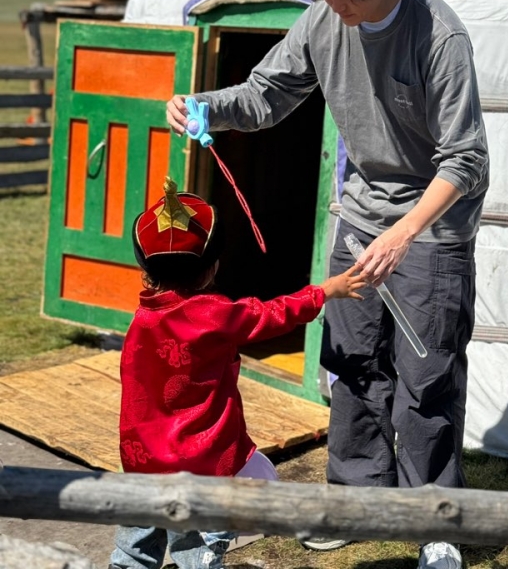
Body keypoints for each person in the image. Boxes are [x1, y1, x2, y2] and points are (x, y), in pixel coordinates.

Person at [166, 0, 489, 569]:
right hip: (360, 221)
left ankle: (436, 523)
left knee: (426, 381)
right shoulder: (323, 19)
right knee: (350, 366)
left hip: (428, 234)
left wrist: (403, 234)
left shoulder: (439, 38)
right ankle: (351, 505)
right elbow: (267, 95)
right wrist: (205, 106)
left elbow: (465, 159)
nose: (337, 6)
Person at [108, 176, 365, 569]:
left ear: (145, 265)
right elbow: (272, 314)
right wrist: (325, 291)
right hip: (199, 461)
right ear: (212, 268)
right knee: (199, 541)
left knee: (133, 548)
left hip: (141, 460)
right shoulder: (213, 316)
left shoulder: (142, 321)